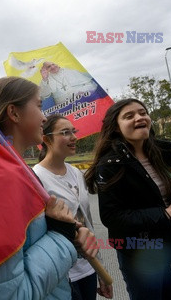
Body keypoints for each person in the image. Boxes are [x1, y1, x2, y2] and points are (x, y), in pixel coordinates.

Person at [0, 76, 98, 299]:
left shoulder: (20, 173)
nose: (44, 116)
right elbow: (7, 295)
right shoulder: (0, 182)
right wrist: (62, 235)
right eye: (39, 106)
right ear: (14, 113)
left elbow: (28, 243)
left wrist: (62, 227)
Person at [84, 98, 171, 300]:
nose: (139, 117)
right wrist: (167, 215)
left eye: (142, 112)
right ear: (116, 128)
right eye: (129, 116)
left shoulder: (162, 154)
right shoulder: (110, 164)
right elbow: (112, 218)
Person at [33, 114, 113, 299]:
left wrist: (100, 270)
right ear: (46, 140)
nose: (74, 137)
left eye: (73, 132)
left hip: (89, 267)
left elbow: (88, 223)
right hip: (62, 272)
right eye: (65, 132)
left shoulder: (76, 173)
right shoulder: (36, 178)